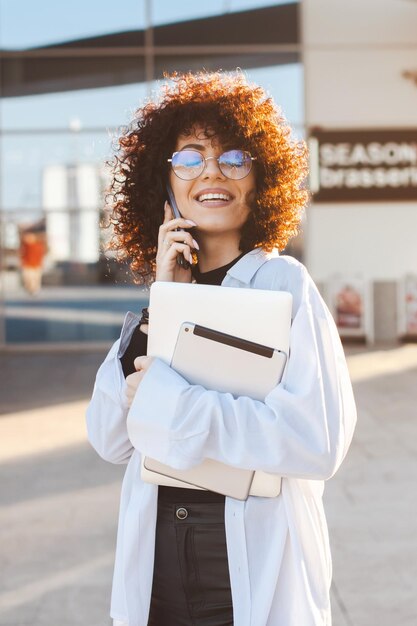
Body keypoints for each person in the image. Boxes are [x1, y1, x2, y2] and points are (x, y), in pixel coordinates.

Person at [86, 71, 357, 626]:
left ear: (260, 181)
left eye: (233, 157)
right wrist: (163, 300)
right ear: (164, 186)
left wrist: (170, 405)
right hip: (158, 559)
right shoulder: (159, 300)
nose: (211, 171)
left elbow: (317, 441)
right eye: (189, 158)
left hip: (244, 562)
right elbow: (109, 439)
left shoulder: (282, 284)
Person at [19, 231, 47, 296]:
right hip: (27, 265)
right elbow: (21, 254)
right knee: (27, 278)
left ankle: (34, 289)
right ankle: (29, 289)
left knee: (35, 279)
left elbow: (41, 255)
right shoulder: (24, 245)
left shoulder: (38, 245)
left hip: (36, 265)